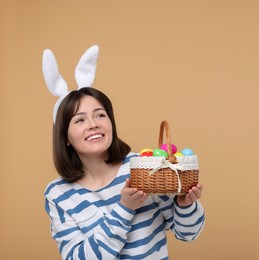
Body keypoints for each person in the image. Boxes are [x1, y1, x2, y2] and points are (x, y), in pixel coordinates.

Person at [43, 46, 205, 259]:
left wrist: (185, 205)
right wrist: (124, 209)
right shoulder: (58, 194)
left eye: (100, 115)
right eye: (80, 120)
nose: (93, 124)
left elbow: (188, 234)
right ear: (64, 136)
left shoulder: (144, 167)